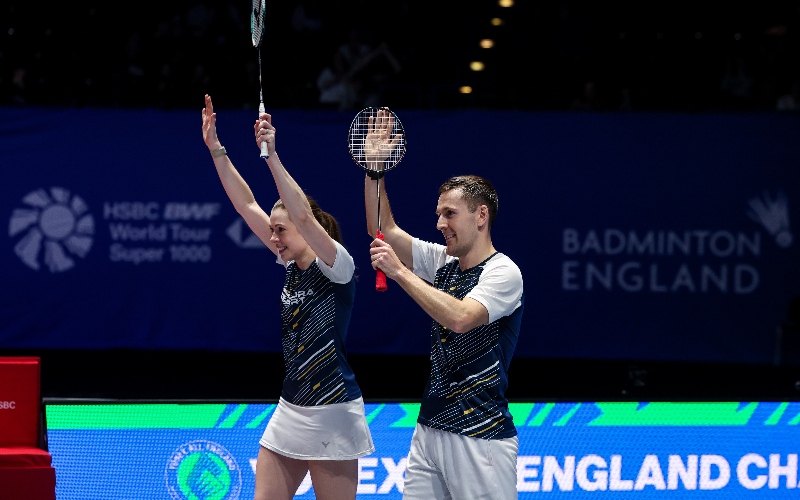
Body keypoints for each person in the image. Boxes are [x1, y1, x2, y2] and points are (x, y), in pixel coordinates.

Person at [201, 94, 374, 500]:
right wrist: (216, 148)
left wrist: (272, 156)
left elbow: (303, 216)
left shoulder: (337, 266)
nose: (274, 238)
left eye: (281, 230)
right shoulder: (290, 264)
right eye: (273, 231)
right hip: (292, 404)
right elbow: (246, 204)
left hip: (332, 409)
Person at [363, 110, 524, 499]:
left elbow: (462, 317)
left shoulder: (504, 273)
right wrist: (374, 171)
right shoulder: (444, 263)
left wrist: (400, 273)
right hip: (430, 428)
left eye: (449, 214)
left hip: (479, 436)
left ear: (481, 215)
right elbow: (382, 229)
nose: (439, 223)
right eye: (438, 214)